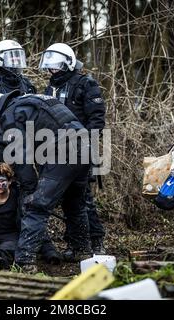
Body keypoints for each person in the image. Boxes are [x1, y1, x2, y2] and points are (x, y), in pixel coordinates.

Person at [0, 91, 92, 273]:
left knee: (36, 206)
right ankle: (82, 249)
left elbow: (20, 157)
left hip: (65, 151)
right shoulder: (29, 101)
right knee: (74, 203)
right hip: (85, 145)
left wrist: (30, 188)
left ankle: (25, 260)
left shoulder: (10, 115)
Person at [40, 43, 106, 256]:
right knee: (68, 199)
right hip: (56, 150)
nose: (53, 70)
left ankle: (96, 241)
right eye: (50, 66)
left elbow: (96, 120)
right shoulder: (50, 88)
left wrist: (86, 145)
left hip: (81, 149)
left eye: (56, 66)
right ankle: (75, 243)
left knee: (83, 198)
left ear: (68, 63)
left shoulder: (86, 84)